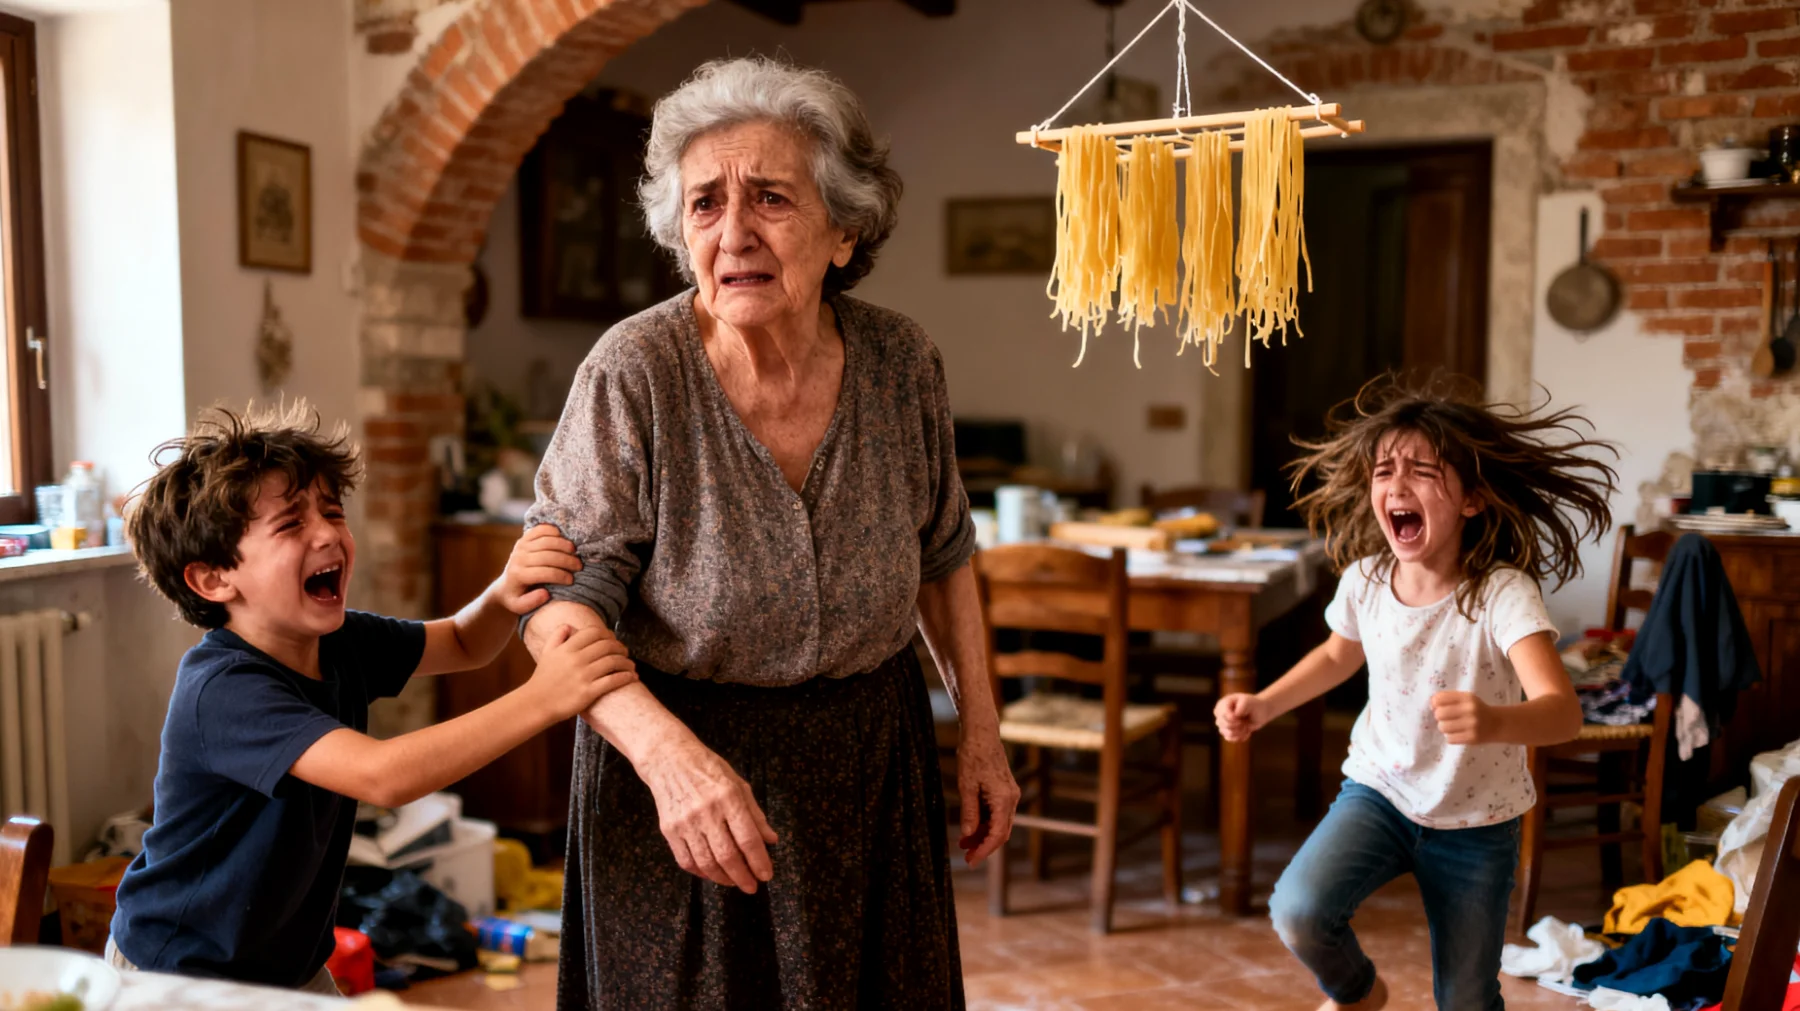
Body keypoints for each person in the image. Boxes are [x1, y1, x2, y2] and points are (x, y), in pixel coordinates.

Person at [522, 56, 1018, 1009]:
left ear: (845, 229)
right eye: (704, 204)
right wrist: (670, 760)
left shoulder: (901, 360)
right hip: (680, 782)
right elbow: (554, 609)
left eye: (772, 200)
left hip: (868, 768)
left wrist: (983, 737)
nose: (734, 234)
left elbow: (944, 555)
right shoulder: (636, 371)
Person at [108, 404, 638, 992]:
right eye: (290, 525)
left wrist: (503, 590)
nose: (328, 533)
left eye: (333, 512)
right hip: (180, 973)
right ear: (212, 580)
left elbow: (463, 641)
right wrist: (543, 698)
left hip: (289, 966)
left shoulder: (341, 640)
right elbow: (384, 776)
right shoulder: (223, 688)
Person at [1215, 377, 1618, 1011]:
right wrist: (1264, 704)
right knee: (1299, 910)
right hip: (1380, 792)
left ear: (1474, 499)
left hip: (1478, 821)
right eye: (1384, 471)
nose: (1397, 486)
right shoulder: (1366, 580)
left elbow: (1563, 714)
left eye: (1423, 471)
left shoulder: (1501, 593)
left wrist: (1493, 721)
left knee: (1466, 1002)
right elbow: (1334, 656)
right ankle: (1358, 993)